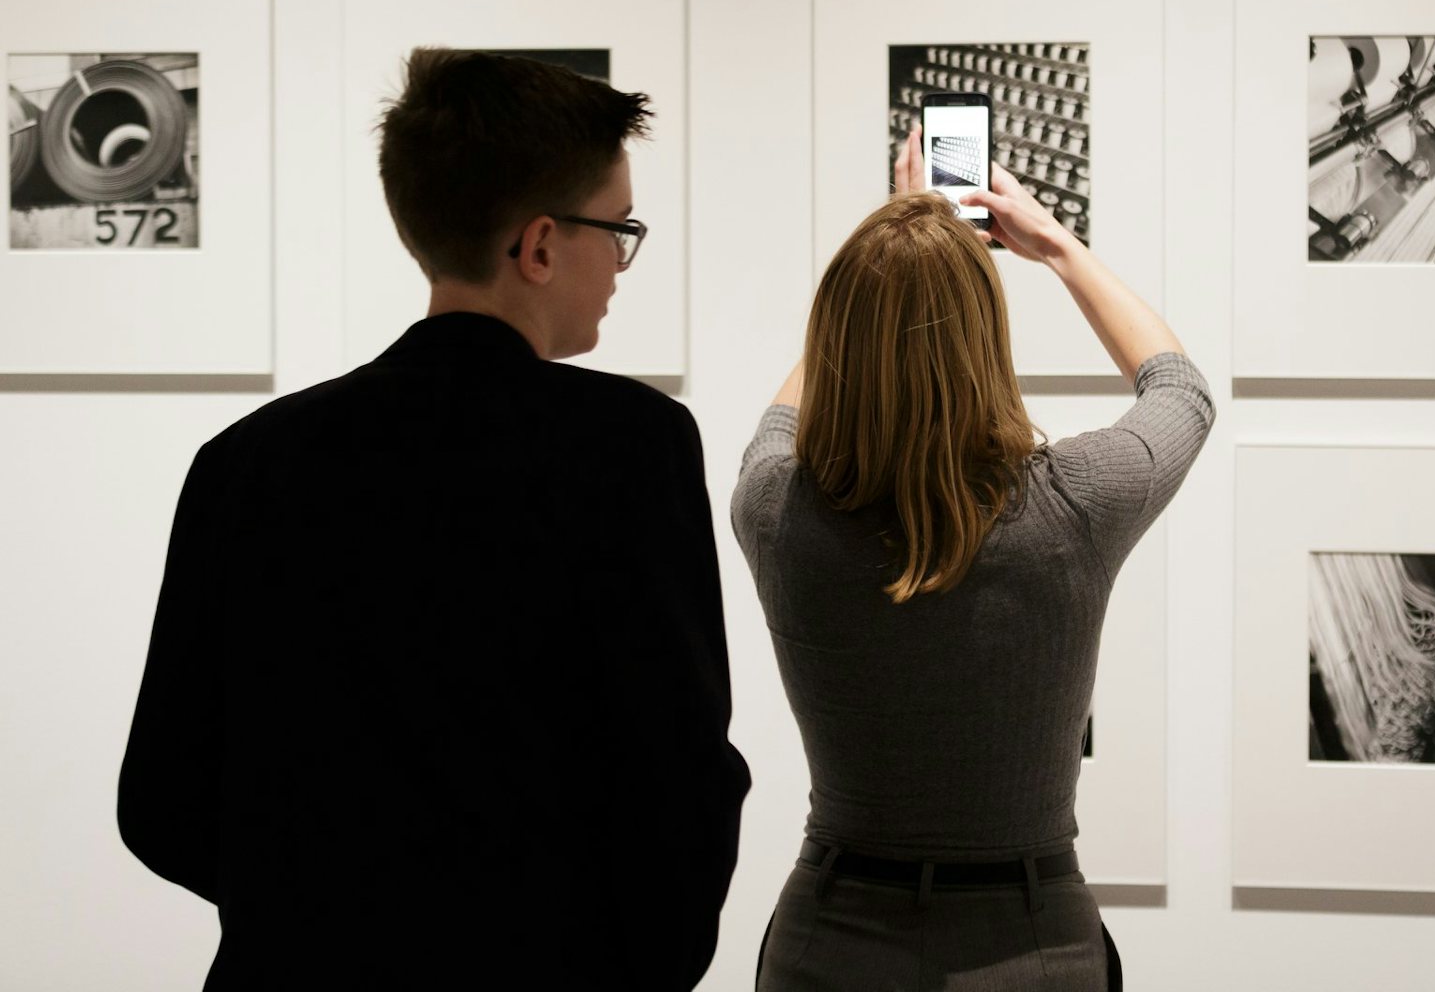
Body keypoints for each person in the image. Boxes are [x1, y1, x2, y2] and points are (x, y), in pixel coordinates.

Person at [117, 49, 749, 989]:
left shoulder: (245, 462)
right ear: (537, 247)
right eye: (618, 229)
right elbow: (678, 776)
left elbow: (163, 798)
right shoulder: (631, 448)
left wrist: (310, 913)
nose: (620, 260)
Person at [732, 130, 1214, 990]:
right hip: (1031, 944)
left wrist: (886, 261)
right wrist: (1056, 246)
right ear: (985, 342)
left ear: (837, 334)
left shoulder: (776, 511)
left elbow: (777, 426)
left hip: (831, 936)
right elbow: (1179, 389)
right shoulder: (1074, 504)